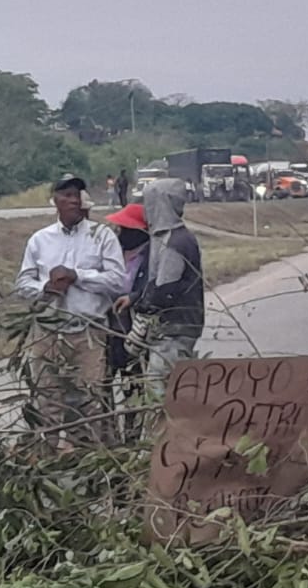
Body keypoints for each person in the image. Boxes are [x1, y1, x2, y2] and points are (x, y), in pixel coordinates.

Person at [15, 175, 127, 449]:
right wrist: (47, 288)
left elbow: (118, 281)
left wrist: (78, 276)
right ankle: (48, 466)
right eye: (66, 195)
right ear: (55, 200)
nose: (74, 200)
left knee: (91, 404)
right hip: (48, 333)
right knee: (48, 403)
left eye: (77, 194)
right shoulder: (40, 240)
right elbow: (22, 284)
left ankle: (93, 466)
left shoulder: (102, 236)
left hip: (88, 333)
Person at [122, 179, 204, 429]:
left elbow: (165, 290)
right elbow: (155, 283)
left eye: (148, 203)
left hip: (175, 329)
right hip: (170, 328)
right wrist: (135, 298)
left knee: (160, 391)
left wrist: (141, 322)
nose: (146, 209)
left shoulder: (174, 243)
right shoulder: (165, 238)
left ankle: (164, 446)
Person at [102, 202, 150, 436]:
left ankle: (133, 434)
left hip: (135, 332)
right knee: (104, 384)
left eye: (125, 229)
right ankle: (109, 435)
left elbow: (151, 288)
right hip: (109, 328)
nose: (119, 234)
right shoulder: (111, 253)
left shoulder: (151, 257)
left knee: (133, 385)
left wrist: (133, 297)